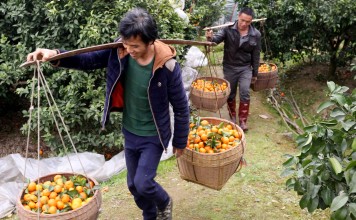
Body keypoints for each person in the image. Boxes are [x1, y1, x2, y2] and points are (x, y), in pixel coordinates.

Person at [27, 8, 190, 220]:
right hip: (130, 131)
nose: (129, 49)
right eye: (126, 43)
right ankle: (150, 214)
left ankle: (164, 202)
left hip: (153, 134)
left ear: (150, 42)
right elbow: (88, 59)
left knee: (143, 182)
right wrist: (56, 55)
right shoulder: (120, 50)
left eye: (135, 46)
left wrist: (180, 141)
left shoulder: (166, 65)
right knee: (133, 185)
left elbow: (181, 106)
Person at [205, 7, 261, 131]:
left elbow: (256, 55)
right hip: (230, 67)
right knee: (231, 93)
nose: (244, 24)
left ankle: (242, 121)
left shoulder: (255, 34)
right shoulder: (228, 29)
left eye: (248, 22)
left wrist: (255, 73)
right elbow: (215, 41)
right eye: (242, 20)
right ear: (238, 17)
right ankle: (232, 116)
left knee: (245, 92)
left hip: (245, 68)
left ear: (251, 21)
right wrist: (210, 38)